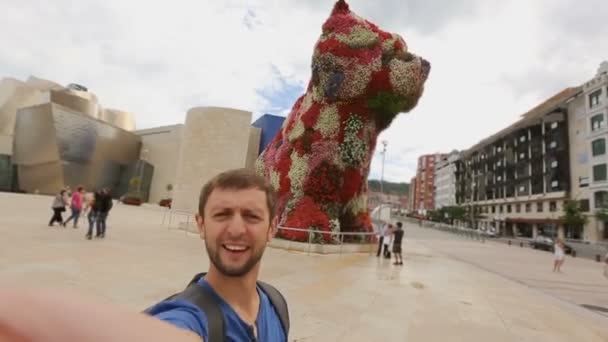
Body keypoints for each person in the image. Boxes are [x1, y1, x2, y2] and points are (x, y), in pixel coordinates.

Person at [145, 168, 288, 341]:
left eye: (252, 216)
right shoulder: (185, 319)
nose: (236, 230)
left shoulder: (276, 305)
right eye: (222, 215)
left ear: (272, 228)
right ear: (202, 225)